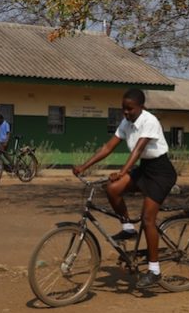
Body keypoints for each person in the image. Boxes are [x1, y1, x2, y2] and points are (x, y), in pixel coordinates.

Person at [73, 88, 177, 288]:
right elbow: (108, 147)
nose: (126, 113)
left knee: (148, 219)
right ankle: (128, 228)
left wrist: (122, 171)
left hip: (161, 173)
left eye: (130, 109)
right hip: (145, 169)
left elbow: (138, 149)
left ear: (141, 107)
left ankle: (154, 270)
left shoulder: (150, 121)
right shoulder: (126, 123)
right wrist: (84, 166)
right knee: (112, 188)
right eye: (123, 109)